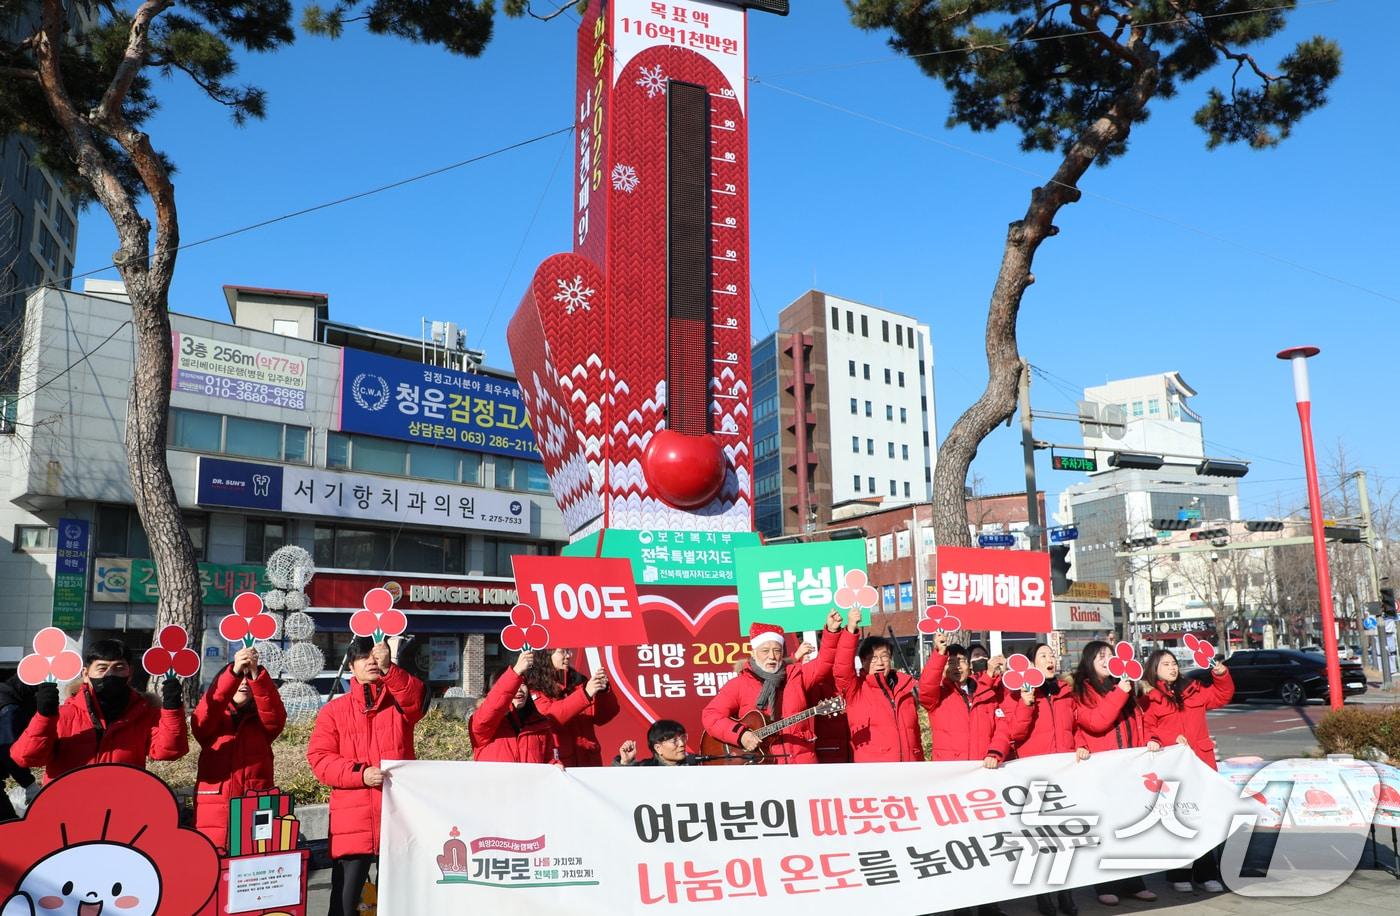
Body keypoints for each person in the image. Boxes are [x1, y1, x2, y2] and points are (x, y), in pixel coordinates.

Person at [307, 637, 426, 916]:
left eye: (375, 656)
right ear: (351, 666)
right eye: (363, 657)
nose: (371, 661)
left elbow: (416, 699)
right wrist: (361, 774)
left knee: (397, 902)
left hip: (395, 817)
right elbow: (320, 759)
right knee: (344, 903)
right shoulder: (333, 711)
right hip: (352, 821)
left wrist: (390, 669)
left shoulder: (399, 706)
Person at [10, 638, 188, 781]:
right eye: (102, 668)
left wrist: (172, 708)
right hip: (66, 805)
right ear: (86, 674)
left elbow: (169, 751)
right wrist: (44, 717)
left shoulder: (144, 714)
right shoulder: (64, 715)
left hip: (119, 806)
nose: (110, 674)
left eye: (119, 668)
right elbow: (26, 757)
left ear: (130, 673)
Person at [1071, 641, 1160, 907]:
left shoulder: (1123, 686)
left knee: (1130, 826)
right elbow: (1096, 722)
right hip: (1102, 769)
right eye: (1101, 656)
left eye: (1111, 655)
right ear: (1089, 660)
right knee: (1107, 828)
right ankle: (1105, 884)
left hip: (1130, 767)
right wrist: (1120, 691)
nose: (1107, 660)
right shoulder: (1081, 690)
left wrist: (1152, 738)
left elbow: (1139, 720)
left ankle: (1134, 882)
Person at [1141, 649, 1233, 894]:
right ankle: (1178, 873)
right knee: (1178, 820)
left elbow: (1221, 696)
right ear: (1154, 669)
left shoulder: (1193, 689)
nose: (1172, 668)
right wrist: (1170, 738)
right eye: (1165, 664)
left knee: (1202, 819)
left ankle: (1206, 873)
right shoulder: (1149, 696)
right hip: (1171, 766)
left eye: (1173, 663)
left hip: (1201, 762)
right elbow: (1146, 727)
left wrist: (1221, 675)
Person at [700, 613, 842, 765]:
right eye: (765, 651)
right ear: (753, 653)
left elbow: (823, 665)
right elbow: (711, 715)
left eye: (777, 650)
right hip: (762, 766)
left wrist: (832, 632)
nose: (772, 656)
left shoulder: (795, 675)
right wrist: (741, 735)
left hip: (801, 762)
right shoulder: (739, 684)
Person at [1007, 644, 1080, 916]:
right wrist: (1025, 704)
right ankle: (1043, 895)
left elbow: (1078, 726)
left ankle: (1066, 893)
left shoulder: (1065, 691)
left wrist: (1081, 746)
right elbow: (1013, 733)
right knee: (1040, 838)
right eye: (1043, 656)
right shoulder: (1019, 693)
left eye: (1051, 655)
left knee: (1066, 837)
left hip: (1065, 773)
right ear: (1030, 664)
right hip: (1035, 774)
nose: (1050, 659)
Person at [191, 645, 287, 849]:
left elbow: (274, 714)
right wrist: (233, 672)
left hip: (255, 810)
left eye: (247, 678)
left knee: (253, 862)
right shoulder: (212, 723)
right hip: (214, 815)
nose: (244, 682)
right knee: (214, 862)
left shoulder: (262, 725)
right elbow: (204, 715)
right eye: (239, 678)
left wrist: (256, 674)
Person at [471, 649, 603, 763]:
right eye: (515, 685)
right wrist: (516, 672)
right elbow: (493, 706)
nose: (519, 689)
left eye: (523, 684)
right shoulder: (482, 725)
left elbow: (548, 759)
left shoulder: (539, 725)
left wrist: (554, 765)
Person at [919, 633, 1028, 766]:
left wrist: (995, 752)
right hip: (949, 770)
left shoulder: (986, 695)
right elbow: (926, 686)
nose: (957, 666)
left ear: (969, 665)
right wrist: (939, 654)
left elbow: (1002, 729)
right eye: (951, 662)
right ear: (943, 668)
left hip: (982, 769)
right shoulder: (938, 696)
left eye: (961, 661)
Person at [833, 609, 922, 762]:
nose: (880, 663)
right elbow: (842, 668)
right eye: (873, 658)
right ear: (863, 661)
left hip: (909, 770)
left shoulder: (904, 689)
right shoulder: (856, 690)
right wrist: (851, 629)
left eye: (884, 657)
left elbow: (915, 736)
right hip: (874, 772)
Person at [524, 646, 619, 766]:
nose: (568, 655)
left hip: (589, 762)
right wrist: (585, 694)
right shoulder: (535, 686)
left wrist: (603, 691)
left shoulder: (579, 681)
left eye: (568, 651)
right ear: (546, 655)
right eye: (562, 651)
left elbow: (602, 717)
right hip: (561, 764)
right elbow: (550, 717)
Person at [0, 675, 39, 821]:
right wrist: (29, 783)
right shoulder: (9, 709)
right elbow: (9, 751)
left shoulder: (5, 694)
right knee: (9, 827)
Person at [614, 719, 695, 766]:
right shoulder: (644, 769)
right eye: (674, 741)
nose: (682, 744)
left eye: (683, 738)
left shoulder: (696, 764)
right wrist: (625, 763)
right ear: (658, 748)